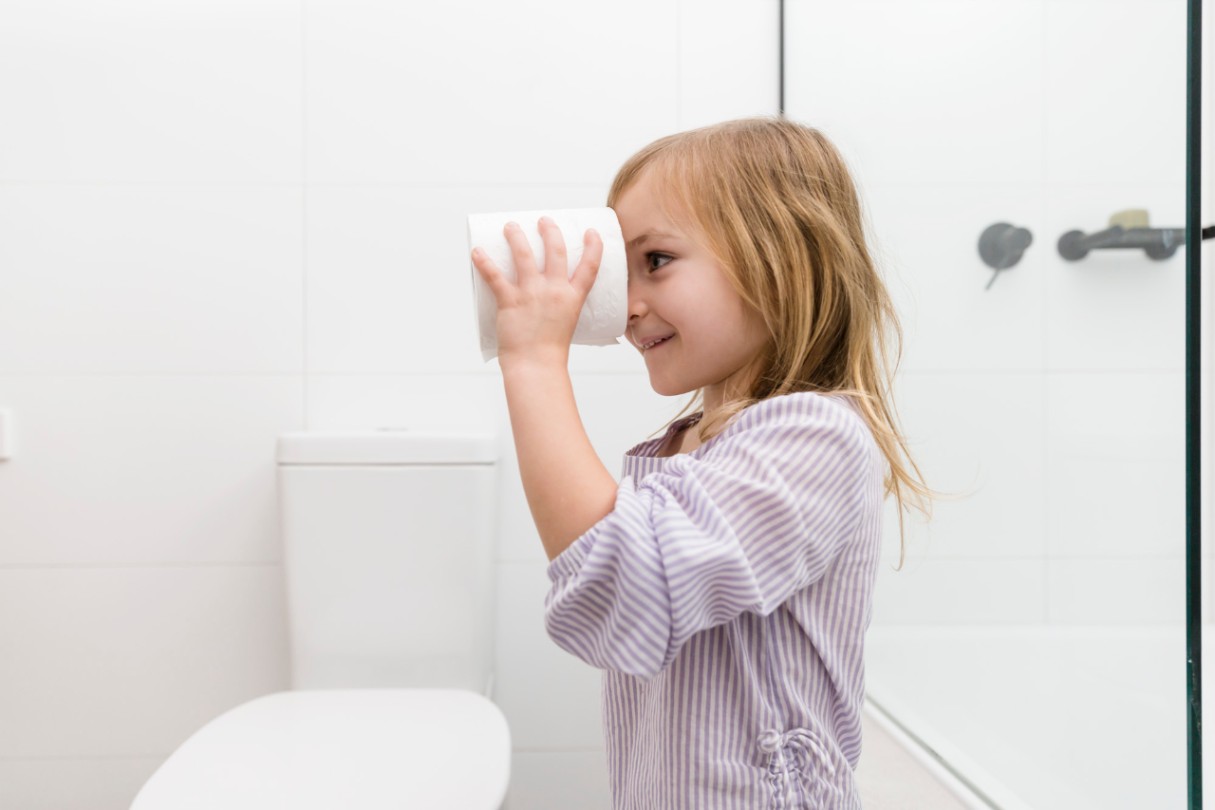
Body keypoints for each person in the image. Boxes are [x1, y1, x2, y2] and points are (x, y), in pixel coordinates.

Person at [470, 116, 931, 809]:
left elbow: (621, 589)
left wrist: (535, 363)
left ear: (780, 259)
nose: (625, 306)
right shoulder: (701, 441)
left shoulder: (815, 436)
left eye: (654, 260)